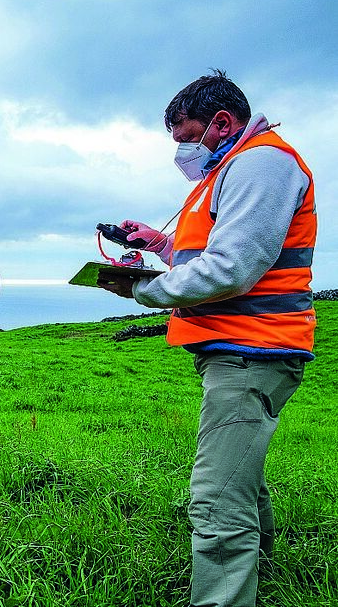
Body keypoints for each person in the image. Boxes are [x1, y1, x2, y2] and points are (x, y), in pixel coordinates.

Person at [99, 70, 315, 607]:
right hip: (242, 348)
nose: (183, 152)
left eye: (186, 139)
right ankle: (261, 567)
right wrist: (160, 245)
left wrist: (144, 289)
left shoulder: (262, 163)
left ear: (221, 123)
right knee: (239, 470)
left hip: (254, 348)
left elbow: (233, 268)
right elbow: (210, 257)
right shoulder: (230, 170)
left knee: (216, 497)